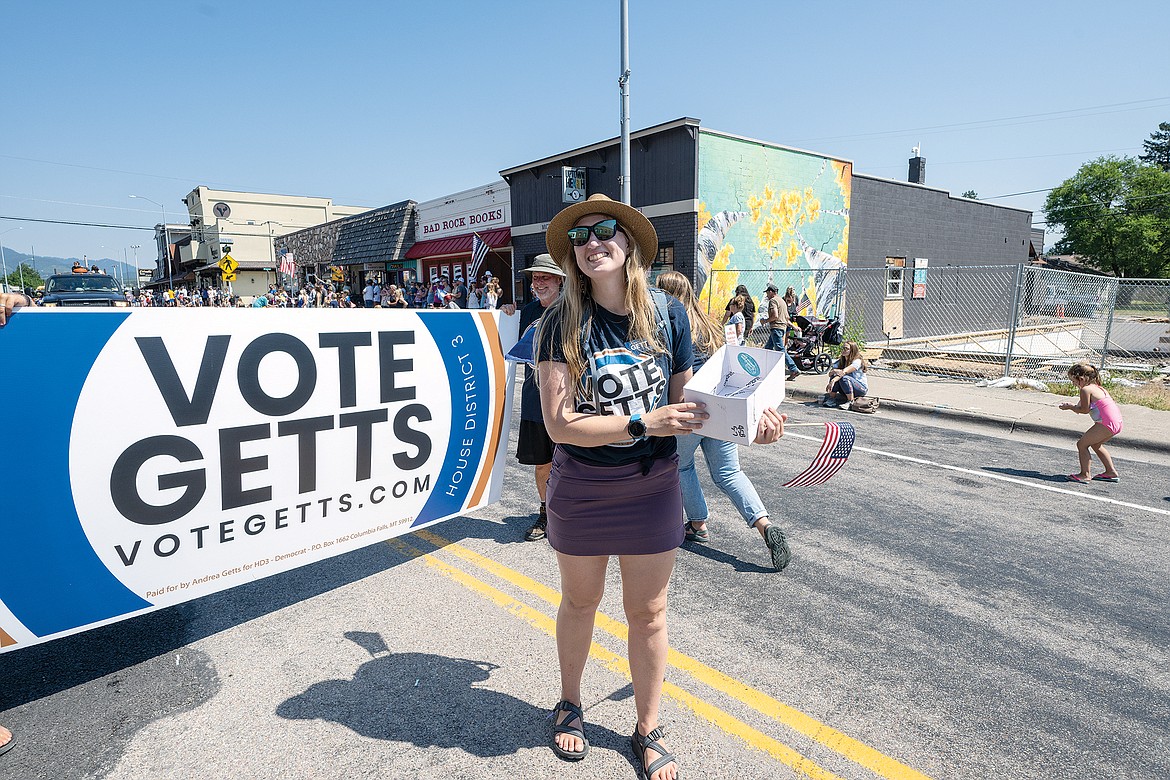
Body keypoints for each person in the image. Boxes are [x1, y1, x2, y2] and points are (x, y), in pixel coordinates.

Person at [535, 194, 782, 778]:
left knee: (648, 613)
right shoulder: (558, 324)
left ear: (630, 246)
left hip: (652, 484)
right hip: (585, 485)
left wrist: (752, 423)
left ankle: (647, 727)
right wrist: (640, 422)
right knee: (580, 602)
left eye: (606, 232)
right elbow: (559, 423)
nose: (593, 242)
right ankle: (570, 703)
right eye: (581, 236)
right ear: (573, 254)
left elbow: (694, 405)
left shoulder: (668, 316)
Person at [655, 271, 792, 573]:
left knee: (683, 465)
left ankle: (698, 523)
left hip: (688, 411)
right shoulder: (709, 325)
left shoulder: (668, 325)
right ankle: (764, 524)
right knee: (730, 473)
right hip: (720, 409)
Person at [515, 254, 566, 542]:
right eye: (535, 277)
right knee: (542, 463)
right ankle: (546, 513)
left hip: (569, 401)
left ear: (559, 280)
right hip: (535, 401)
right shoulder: (527, 311)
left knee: (574, 461)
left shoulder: (575, 309)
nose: (538, 282)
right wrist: (506, 312)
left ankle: (571, 513)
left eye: (545, 276)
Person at [1059, 362, 1122, 483]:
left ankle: (1085, 474)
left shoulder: (1085, 390)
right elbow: (1084, 405)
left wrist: (1070, 407)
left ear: (1081, 379)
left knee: (1082, 444)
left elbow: (1084, 410)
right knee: (1096, 444)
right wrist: (1074, 406)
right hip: (1116, 422)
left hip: (1105, 424)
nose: (1074, 384)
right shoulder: (1098, 388)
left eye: (1074, 381)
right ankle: (1111, 472)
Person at [761, 283, 800, 380]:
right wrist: (793, 327)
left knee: (780, 350)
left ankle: (794, 368)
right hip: (782, 328)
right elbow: (786, 318)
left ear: (771, 292)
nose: (766, 295)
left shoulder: (773, 301)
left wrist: (765, 321)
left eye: (767, 293)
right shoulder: (782, 301)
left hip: (776, 328)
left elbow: (775, 315)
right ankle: (765, 369)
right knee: (768, 348)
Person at [821, 341, 868, 410]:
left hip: (861, 388)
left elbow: (844, 372)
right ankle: (832, 399)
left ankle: (850, 402)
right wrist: (834, 373)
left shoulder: (857, 361)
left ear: (852, 350)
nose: (843, 350)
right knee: (835, 376)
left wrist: (833, 380)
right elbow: (830, 374)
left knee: (844, 378)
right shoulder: (841, 361)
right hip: (846, 387)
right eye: (843, 348)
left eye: (846, 348)